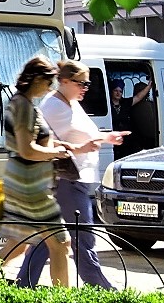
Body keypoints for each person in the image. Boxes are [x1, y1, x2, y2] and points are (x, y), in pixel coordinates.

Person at [16, 61, 129, 288]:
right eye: (81, 83)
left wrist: (107, 137)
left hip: (73, 177)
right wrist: (80, 148)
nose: (86, 88)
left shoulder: (71, 103)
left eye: (88, 83)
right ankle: (99, 287)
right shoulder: (53, 106)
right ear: (64, 81)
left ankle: (23, 286)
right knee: (82, 234)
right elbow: (41, 140)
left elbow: (86, 134)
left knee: (48, 237)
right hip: (66, 178)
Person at [0, 56, 71, 287]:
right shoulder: (24, 106)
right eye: (49, 83)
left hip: (21, 183)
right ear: (37, 79)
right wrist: (56, 154)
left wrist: (57, 148)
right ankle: (65, 298)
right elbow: (27, 150)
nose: (51, 88)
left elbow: (29, 146)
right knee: (60, 243)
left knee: (16, 246)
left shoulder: (20, 103)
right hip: (31, 188)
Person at [111, 77, 152, 158]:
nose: (118, 93)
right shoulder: (107, 105)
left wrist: (148, 87)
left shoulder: (125, 103)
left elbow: (138, 97)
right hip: (113, 140)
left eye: (120, 91)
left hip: (126, 141)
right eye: (115, 90)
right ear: (111, 91)